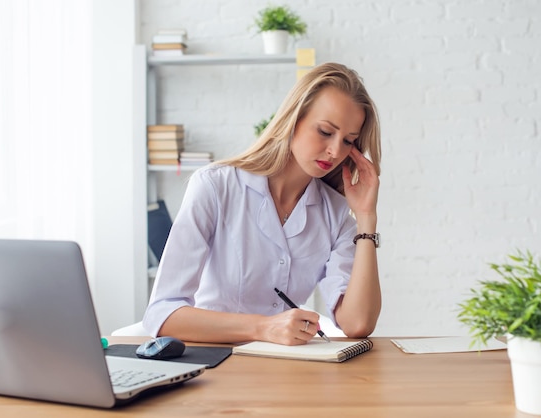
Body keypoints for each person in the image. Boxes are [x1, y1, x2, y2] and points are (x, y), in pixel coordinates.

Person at [142, 62, 382, 345]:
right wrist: (262, 328)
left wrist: (366, 218)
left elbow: (357, 323)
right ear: (294, 120)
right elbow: (162, 313)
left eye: (348, 142)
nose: (334, 151)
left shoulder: (336, 213)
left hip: (285, 370)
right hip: (214, 366)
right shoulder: (215, 186)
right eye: (326, 132)